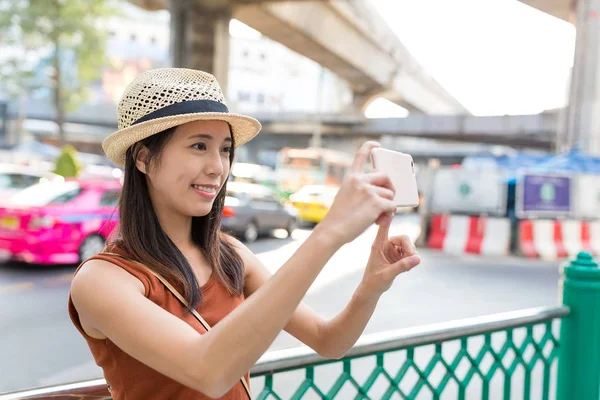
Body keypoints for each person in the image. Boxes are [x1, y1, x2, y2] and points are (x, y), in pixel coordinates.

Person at [68, 68, 421, 400]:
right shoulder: (103, 279)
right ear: (143, 158)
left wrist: (371, 286)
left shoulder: (229, 255)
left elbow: (328, 341)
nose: (217, 167)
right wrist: (328, 233)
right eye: (198, 146)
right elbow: (208, 370)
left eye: (224, 149)